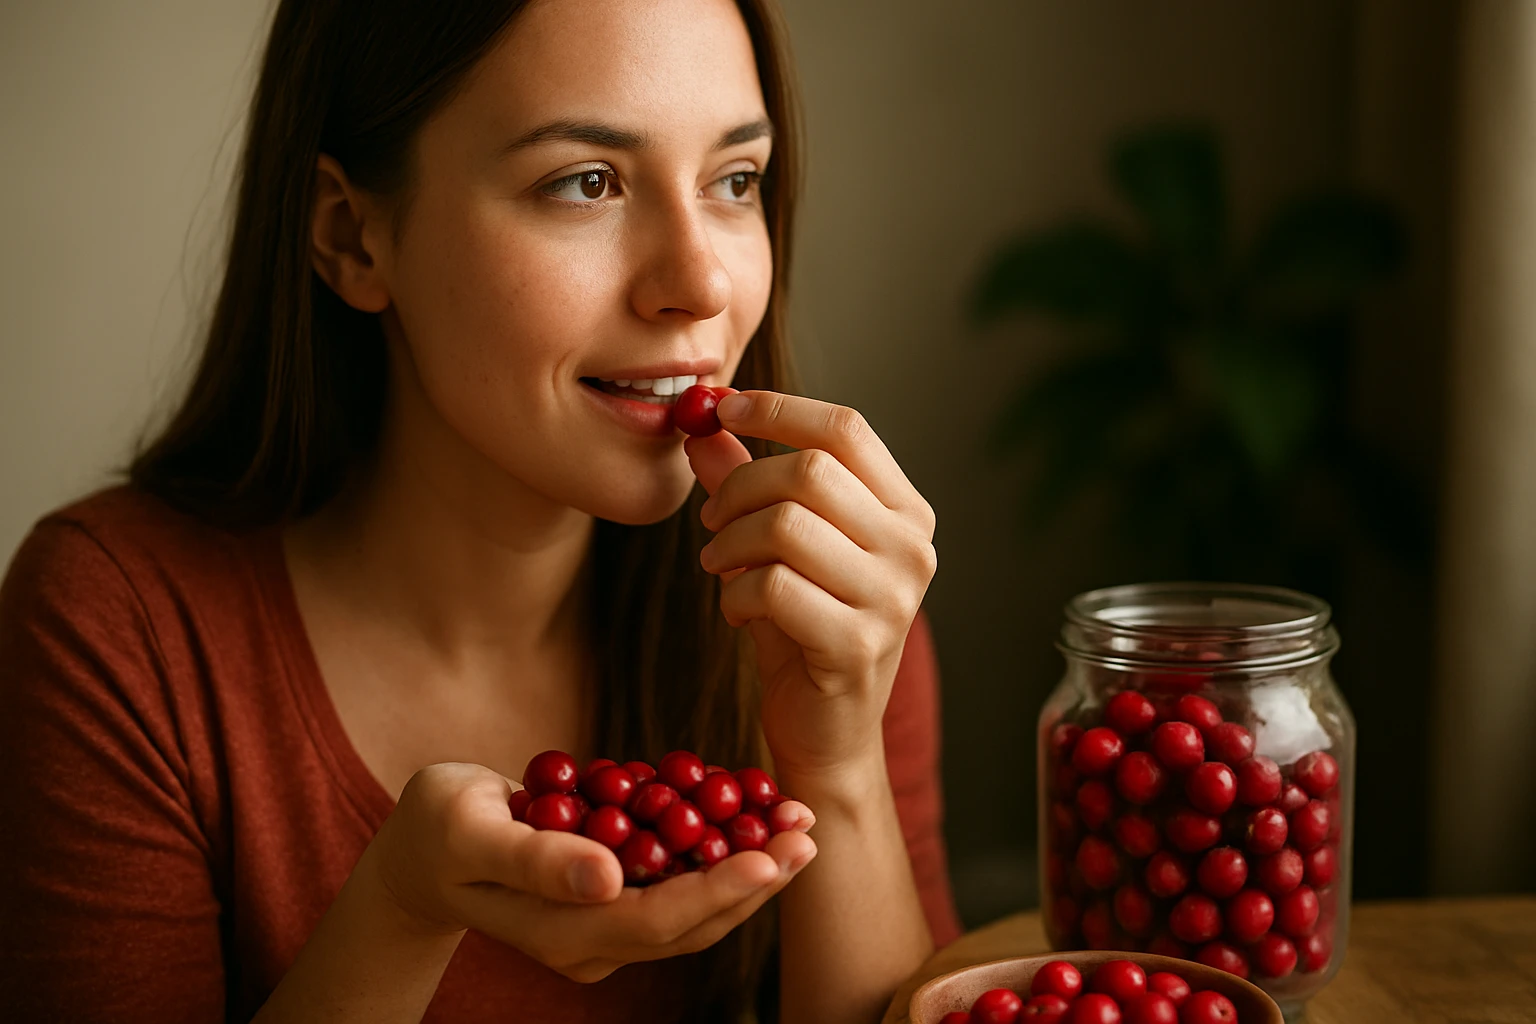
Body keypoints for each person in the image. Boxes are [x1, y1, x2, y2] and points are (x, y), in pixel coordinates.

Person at [0, 1, 959, 1021]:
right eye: (586, 182)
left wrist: (840, 768)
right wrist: (401, 911)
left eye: (734, 181)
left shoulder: (811, 591)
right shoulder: (117, 631)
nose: (701, 282)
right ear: (352, 236)